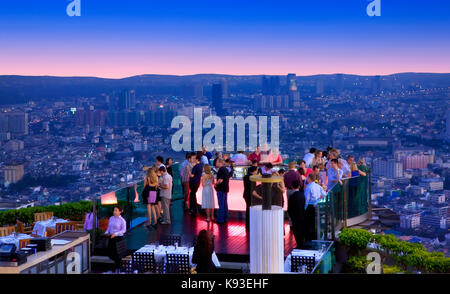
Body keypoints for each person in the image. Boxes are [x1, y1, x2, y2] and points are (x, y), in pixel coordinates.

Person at [303, 174, 327, 242]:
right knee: (315, 222)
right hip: (317, 205)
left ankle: (310, 238)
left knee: (309, 223)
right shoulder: (318, 186)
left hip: (310, 206)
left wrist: (304, 208)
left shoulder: (308, 187)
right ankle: (315, 236)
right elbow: (325, 194)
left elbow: (306, 199)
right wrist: (319, 198)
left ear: (309, 179)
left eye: (307, 178)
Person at [105, 206, 127, 271]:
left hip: (118, 239)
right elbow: (109, 227)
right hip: (111, 238)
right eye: (114, 210)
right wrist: (106, 232)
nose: (114, 212)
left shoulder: (122, 220)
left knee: (118, 255)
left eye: (116, 210)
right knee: (111, 253)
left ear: (120, 212)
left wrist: (116, 234)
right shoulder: (111, 218)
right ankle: (116, 267)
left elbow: (124, 230)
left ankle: (117, 268)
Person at [287, 180, 306, 249]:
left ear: (292, 187)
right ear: (299, 186)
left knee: (296, 232)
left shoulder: (292, 197)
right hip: (303, 216)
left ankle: (299, 245)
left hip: (295, 218)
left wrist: (291, 217)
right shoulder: (302, 195)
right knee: (302, 231)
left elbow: (289, 209)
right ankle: (302, 244)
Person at [214, 159, 229, 224]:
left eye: (216, 162)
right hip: (225, 189)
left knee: (221, 205)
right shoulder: (225, 169)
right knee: (225, 204)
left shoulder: (221, 170)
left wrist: (215, 184)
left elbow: (220, 180)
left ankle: (220, 220)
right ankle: (225, 218)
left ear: (220, 162)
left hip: (221, 189)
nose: (215, 163)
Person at [243, 166, 258, 230]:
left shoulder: (245, 177)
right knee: (251, 210)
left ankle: (247, 225)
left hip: (246, 194)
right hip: (250, 196)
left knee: (248, 209)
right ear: (254, 171)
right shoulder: (252, 178)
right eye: (256, 170)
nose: (257, 172)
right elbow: (253, 190)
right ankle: (250, 225)